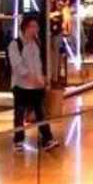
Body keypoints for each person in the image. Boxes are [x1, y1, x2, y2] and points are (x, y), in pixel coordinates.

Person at [9, 16, 59, 152]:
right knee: (19, 114)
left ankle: (47, 139)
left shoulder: (36, 43)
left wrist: (42, 78)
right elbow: (18, 66)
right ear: (25, 27)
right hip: (21, 86)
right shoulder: (15, 45)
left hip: (36, 86)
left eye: (36, 27)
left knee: (40, 113)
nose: (35, 29)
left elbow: (38, 63)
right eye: (33, 26)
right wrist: (32, 78)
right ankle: (18, 141)